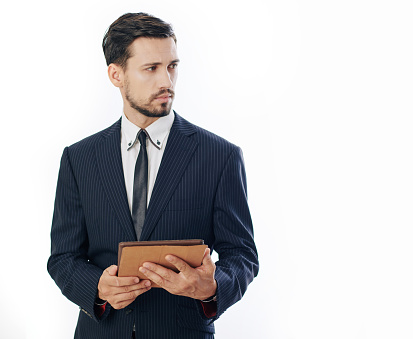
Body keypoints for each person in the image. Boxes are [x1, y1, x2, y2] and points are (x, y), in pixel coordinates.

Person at [47, 12, 259, 339]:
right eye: (151, 69)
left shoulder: (220, 156)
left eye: (172, 66)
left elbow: (242, 254)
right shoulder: (79, 159)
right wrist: (97, 288)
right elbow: (63, 258)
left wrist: (213, 286)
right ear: (116, 74)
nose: (167, 82)